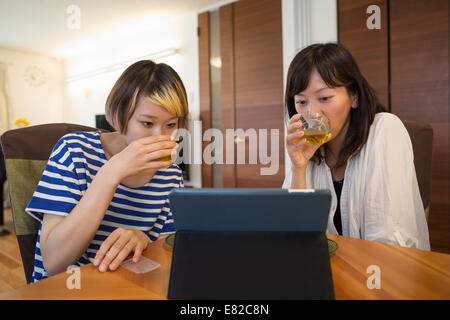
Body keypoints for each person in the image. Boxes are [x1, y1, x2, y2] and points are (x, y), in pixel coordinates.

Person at [25, 60, 188, 282]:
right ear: (116, 116)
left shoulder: (170, 174)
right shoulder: (74, 151)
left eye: (170, 125)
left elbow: (168, 254)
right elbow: (54, 262)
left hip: (126, 288)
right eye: (147, 124)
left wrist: (143, 240)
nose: (160, 137)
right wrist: (111, 174)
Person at [283, 43, 430, 250]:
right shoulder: (308, 150)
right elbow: (295, 237)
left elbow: (386, 242)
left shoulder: (385, 130)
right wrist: (298, 167)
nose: (312, 114)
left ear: (354, 97)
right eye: (301, 102)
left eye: (324, 98)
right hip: (325, 272)